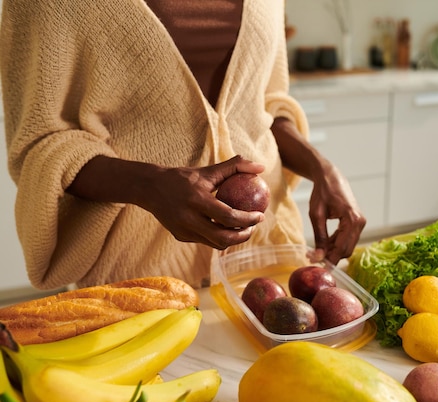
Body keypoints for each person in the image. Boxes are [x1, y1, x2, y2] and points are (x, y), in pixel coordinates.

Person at [0, 0, 366, 290]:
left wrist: (322, 168)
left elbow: (264, 105)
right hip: (137, 271)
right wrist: (150, 185)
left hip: (265, 254)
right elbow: (39, 142)